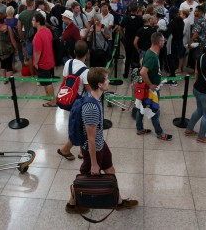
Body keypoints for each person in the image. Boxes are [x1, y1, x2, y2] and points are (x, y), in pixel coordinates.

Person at [65, 67, 138, 214]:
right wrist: (94, 163)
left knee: (110, 170)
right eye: (106, 79)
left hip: (100, 145)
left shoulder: (94, 96)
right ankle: (72, 205)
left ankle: (118, 201)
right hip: (94, 149)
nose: (109, 81)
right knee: (83, 178)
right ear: (99, 84)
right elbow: (90, 139)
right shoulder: (91, 107)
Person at [57, 40, 90, 161]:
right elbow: (89, 92)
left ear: (74, 52)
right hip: (79, 103)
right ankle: (65, 150)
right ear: (87, 52)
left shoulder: (68, 63)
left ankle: (82, 152)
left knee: (80, 125)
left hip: (69, 99)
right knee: (80, 127)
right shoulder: (85, 71)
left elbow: (66, 80)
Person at [136, 32, 172, 141]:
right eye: (163, 41)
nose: (164, 42)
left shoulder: (149, 52)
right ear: (159, 42)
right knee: (155, 110)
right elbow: (143, 72)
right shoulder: (152, 56)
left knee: (140, 108)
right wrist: (150, 84)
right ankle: (159, 133)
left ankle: (139, 129)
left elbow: (142, 61)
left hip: (145, 87)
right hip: (150, 89)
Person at [32, 12, 57, 107]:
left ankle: (52, 101)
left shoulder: (37, 36)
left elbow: (37, 52)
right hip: (50, 59)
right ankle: (48, 96)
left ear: (38, 22)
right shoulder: (47, 30)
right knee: (47, 81)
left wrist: (35, 62)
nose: (32, 22)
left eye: (33, 20)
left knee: (47, 83)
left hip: (43, 62)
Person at [120, 4, 144, 78]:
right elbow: (142, 30)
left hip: (128, 41)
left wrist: (124, 36)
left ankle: (126, 73)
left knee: (128, 58)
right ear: (137, 10)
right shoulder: (140, 19)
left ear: (130, 10)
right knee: (136, 58)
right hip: (137, 41)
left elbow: (120, 28)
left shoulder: (126, 18)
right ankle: (135, 74)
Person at [0, 12, 18, 80]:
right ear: (4, 19)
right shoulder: (7, 27)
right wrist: (16, 49)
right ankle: (11, 81)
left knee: (2, 64)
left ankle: (4, 79)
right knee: (9, 65)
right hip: (8, 48)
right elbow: (12, 40)